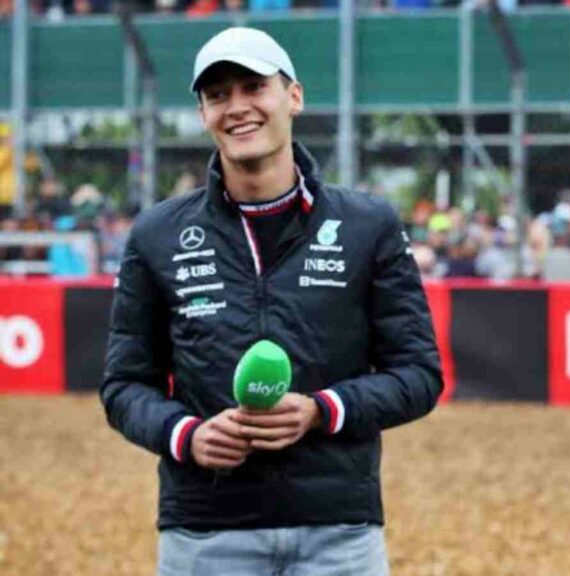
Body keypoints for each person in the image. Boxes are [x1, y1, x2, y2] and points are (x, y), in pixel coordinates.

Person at [100, 27, 443, 576]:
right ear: (204, 113)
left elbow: (419, 376)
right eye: (218, 95)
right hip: (205, 532)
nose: (237, 107)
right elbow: (123, 387)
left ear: (294, 97)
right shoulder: (156, 234)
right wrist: (185, 435)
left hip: (339, 535)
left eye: (253, 87)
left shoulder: (367, 225)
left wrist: (321, 411)